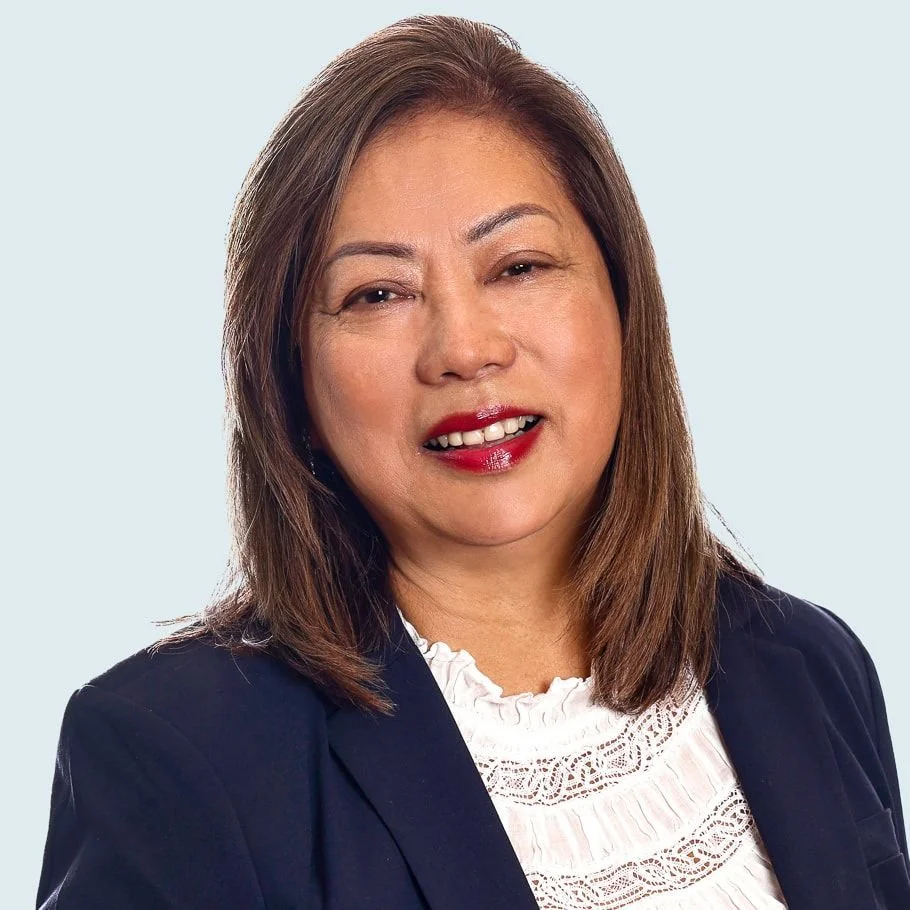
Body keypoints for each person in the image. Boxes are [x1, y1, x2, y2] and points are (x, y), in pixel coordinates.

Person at [36, 14, 908, 910]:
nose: (465, 347)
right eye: (378, 293)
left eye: (518, 267)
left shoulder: (811, 665)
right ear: (288, 376)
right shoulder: (175, 755)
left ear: (622, 300)